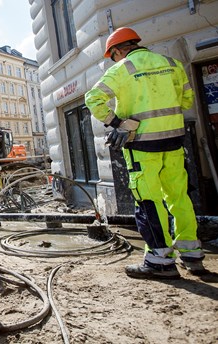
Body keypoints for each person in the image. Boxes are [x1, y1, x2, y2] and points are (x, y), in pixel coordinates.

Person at [85, 27, 205, 279]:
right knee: (179, 198)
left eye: (113, 55)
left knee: (149, 202)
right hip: (174, 141)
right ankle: (191, 254)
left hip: (142, 145)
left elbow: (93, 99)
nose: (114, 59)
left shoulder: (122, 69)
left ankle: (160, 260)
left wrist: (117, 122)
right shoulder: (171, 64)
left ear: (117, 51)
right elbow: (186, 101)